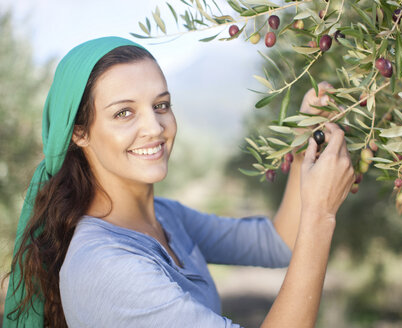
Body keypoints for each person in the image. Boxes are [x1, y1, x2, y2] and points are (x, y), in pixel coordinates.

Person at [3, 37, 354, 328]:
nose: (155, 128)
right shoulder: (104, 266)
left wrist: (305, 135)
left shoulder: (167, 218)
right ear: (80, 132)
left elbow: (278, 242)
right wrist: (321, 214)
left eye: (161, 105)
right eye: (124, 112)